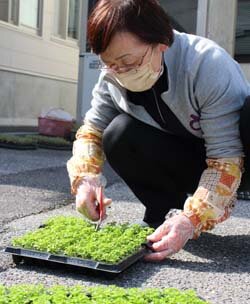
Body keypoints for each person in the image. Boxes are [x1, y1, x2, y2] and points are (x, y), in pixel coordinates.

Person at [67, 0, 250, 261]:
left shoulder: (205, 64)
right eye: (109, 63)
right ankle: (163, 214)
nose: (119, 72)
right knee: (118, 133)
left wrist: (194, 218)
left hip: (238, 159)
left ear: (161, 43)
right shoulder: (113, 74)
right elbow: (91, 133)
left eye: (128, 62)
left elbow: (227, 158)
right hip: (189, 161)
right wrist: (85, 180)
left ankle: (183, 222)